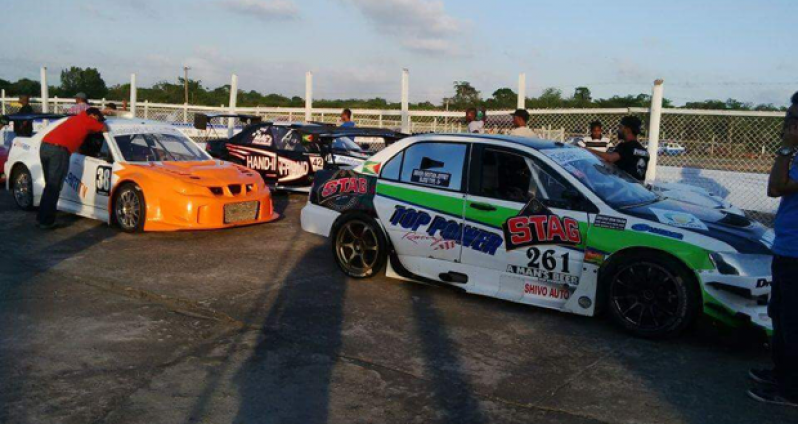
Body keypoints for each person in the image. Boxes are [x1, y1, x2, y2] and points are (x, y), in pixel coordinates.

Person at [749, 92, 798, 407]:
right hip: (788, 249)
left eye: (793, 120)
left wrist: (786, 148)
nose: (788, 125)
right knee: (780, 315)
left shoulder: (792, 152)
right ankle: (782, 374)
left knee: (793, 322)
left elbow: (775, 188)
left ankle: (792, 390)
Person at [36, 108, 107, 229]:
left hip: (45, 146)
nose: (99, 121)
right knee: (54, 186)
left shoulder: (75, 119)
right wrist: (103, 118)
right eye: (98, 118)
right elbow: (105, 128)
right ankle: (46, 222)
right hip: (58, 151)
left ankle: (42, 218)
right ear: (93, 115)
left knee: (50, 186)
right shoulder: (88, 120)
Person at [584, 116, 649, 182]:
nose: (618, 130)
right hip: (639, 188)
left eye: (620, 127)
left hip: (624, 187)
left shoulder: (626, 146)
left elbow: (610, 158)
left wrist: (587, 150)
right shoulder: (644, 151)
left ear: (628, 130)